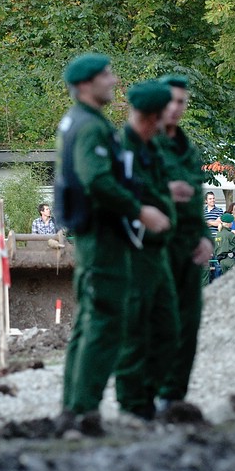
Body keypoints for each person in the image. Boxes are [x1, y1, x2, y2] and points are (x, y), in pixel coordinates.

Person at [53, 53, 171, 436]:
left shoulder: (78, 121)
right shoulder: (90, 127)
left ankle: (73, 409)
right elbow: (97, 181)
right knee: (105, 322)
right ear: (86, 84)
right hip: (103, 237)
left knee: (90, 322)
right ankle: (83, 412)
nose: (114, 79)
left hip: (93, 234)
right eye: (106, 75)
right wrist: (141, 211)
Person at [112, 80, 179, 422]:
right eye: (161, 115)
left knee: (168, 326)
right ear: (148, 116)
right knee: (135, 328)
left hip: (157, 252)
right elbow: (118, 197)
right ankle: (132, 402)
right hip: (135, 250)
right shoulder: (124, 148)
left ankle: (150, 396)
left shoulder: (151, 147)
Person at [152, 74, 214, 414]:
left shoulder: (188, 148)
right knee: (159, 322)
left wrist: (205, 236)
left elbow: (197, 199)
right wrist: (164, 193)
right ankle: (153, 392)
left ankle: (174, 396)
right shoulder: (144, 143)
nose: (176, 108)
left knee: (189, 323)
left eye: (181, 102)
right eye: (170, 101)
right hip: (157, 246)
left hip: (189, 246)